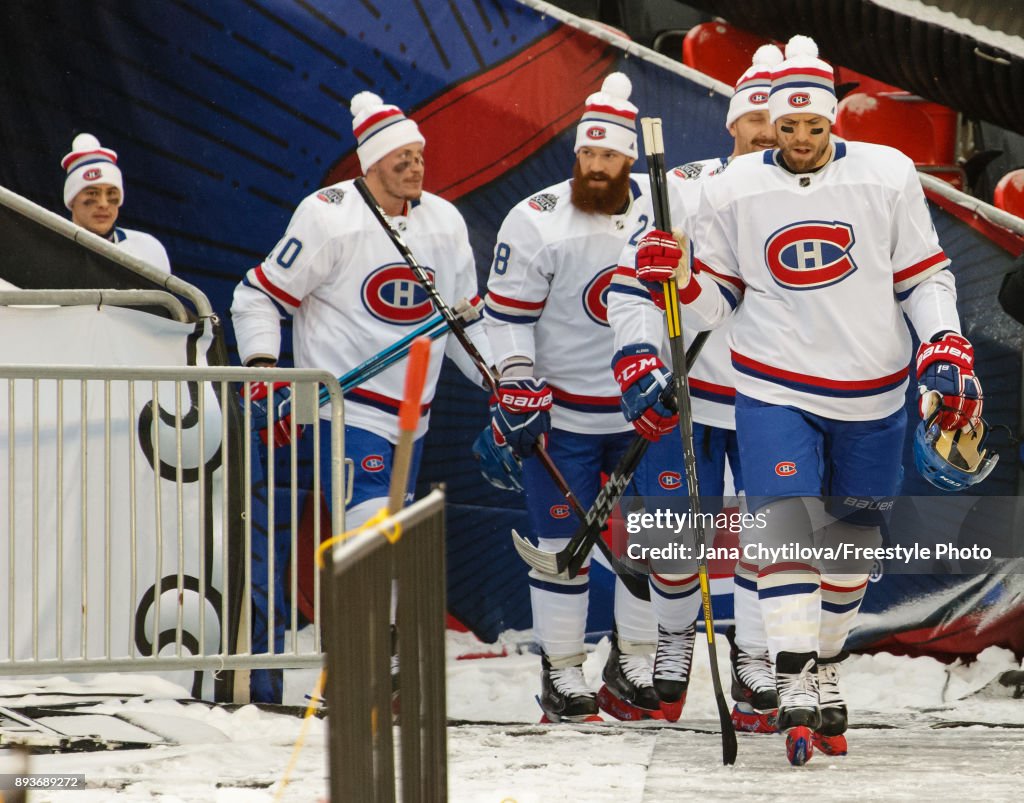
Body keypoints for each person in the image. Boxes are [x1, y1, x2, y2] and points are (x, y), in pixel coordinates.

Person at [632, 35, 985, 765]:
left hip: (873, 388)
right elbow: (718, 303)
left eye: (813, 127)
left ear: (834, 123)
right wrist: (682, 282)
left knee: (850, 552)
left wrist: (945, 344)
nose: (797, 140)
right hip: (774, 384)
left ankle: (821, 665)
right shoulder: (734, 190)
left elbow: (925, 275)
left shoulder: (886, 175)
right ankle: (792, 680)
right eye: (786, 127)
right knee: (788, 531)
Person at [231, 91, 490, 701]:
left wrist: (503, 384)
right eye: (399, 155)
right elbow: (258, 295)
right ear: (368, 162)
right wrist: (266, 368)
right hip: (344, 407)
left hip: (413, 415)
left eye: (419, 153)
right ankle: (360, 654)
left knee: (385, 527)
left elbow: (464, 322)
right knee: (370, 522)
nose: (414, 163)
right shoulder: (327, 215)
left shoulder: (444, 221)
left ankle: (383, 648)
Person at [484, 73, 691, 724]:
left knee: (652, 544)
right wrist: (516, 379)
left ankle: (632, 658)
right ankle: (562, 668)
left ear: (631, 158)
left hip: (646, 411)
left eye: (609, 155)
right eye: (587, 155)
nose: (597, 166)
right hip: (565, 415)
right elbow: (505, 316)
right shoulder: (537, 219)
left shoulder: (669, 211)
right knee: (560, 545)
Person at [609, 43, 785, 734]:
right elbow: (629, 284)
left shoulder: (821, 192)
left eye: (781, 127)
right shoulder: (680, 186)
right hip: (690, 391)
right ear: (733, 126)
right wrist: (635, 361)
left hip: (776, 396)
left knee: (768, 536)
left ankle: (755, 650)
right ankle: (677, 637)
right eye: (757, 124)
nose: (769, 136)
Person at [61, 133, 172, 274]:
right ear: (72, 200)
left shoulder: (149, 249)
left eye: (111, 193)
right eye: (92, 193)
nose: (103, 204)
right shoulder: (51, 250)